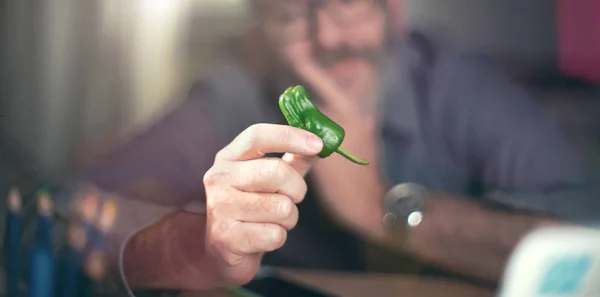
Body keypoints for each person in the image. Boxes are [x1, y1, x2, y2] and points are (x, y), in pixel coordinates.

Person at [20, 0, 599, 296]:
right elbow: (71, 204)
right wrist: (191, 241)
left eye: (346, 2)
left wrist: (384, 208)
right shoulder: (238, 92)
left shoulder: (457, 86)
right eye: (294, 12)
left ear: (389, 11)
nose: (328, 36)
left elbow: (586, 243)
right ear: (259, 27)